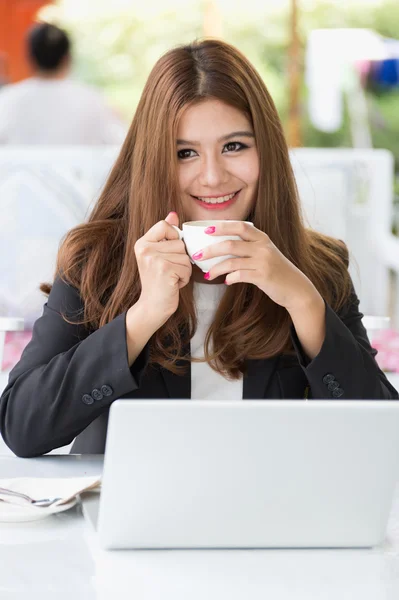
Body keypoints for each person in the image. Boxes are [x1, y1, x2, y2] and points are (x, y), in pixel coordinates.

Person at [0, 39, 397, 458]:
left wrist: (304, 304)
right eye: (185, 153)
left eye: (234, 146)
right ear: (154, 162)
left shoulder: (318, 267)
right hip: (139, 518)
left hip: (275, 515)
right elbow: (23, 427)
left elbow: (383, 439)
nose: (212, 176)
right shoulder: (98, 259)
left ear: (268, 152)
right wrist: (142, 317)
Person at [0, 22, 126, 145]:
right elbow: (121, 143)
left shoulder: (6, 100)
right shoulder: (94, 101)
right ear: (67, 58)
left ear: (29, 58)